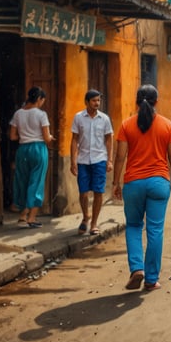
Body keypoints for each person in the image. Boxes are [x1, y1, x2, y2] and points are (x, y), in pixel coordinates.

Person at [113, 84, 171, 292]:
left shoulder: (126, 125)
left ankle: (137, 268)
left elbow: (119, 157)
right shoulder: (166, 125)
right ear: (157, 101)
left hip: (133, 183)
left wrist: (116, 182)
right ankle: (151, 279)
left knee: (134, 226)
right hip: (159, 183)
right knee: (155, 230)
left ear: (136, 102)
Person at [9, 86, 55, 229]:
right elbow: (47, 138)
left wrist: (25, 135)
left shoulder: (18, 114)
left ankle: (22, 215)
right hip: (38, 149)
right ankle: (32, 217)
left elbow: (13, 136)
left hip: (22, 149)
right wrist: (51, 137)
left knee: (22, 180)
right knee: (36, 181)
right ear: (40, 99)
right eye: (42, 100)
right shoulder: (41, 115)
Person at [70, 89, 114, 236]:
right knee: (83, 192)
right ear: (87, 102)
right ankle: (85, 217)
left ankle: (94, 223)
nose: (97, 103)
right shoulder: (78, 117)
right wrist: (73, 161)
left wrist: (109, 160)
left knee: (98, 192)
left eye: (98, 100)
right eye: (94, 100)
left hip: (99, 160)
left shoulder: (104, 119)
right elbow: (74, 139)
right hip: (83, 160)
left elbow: (109, 139)